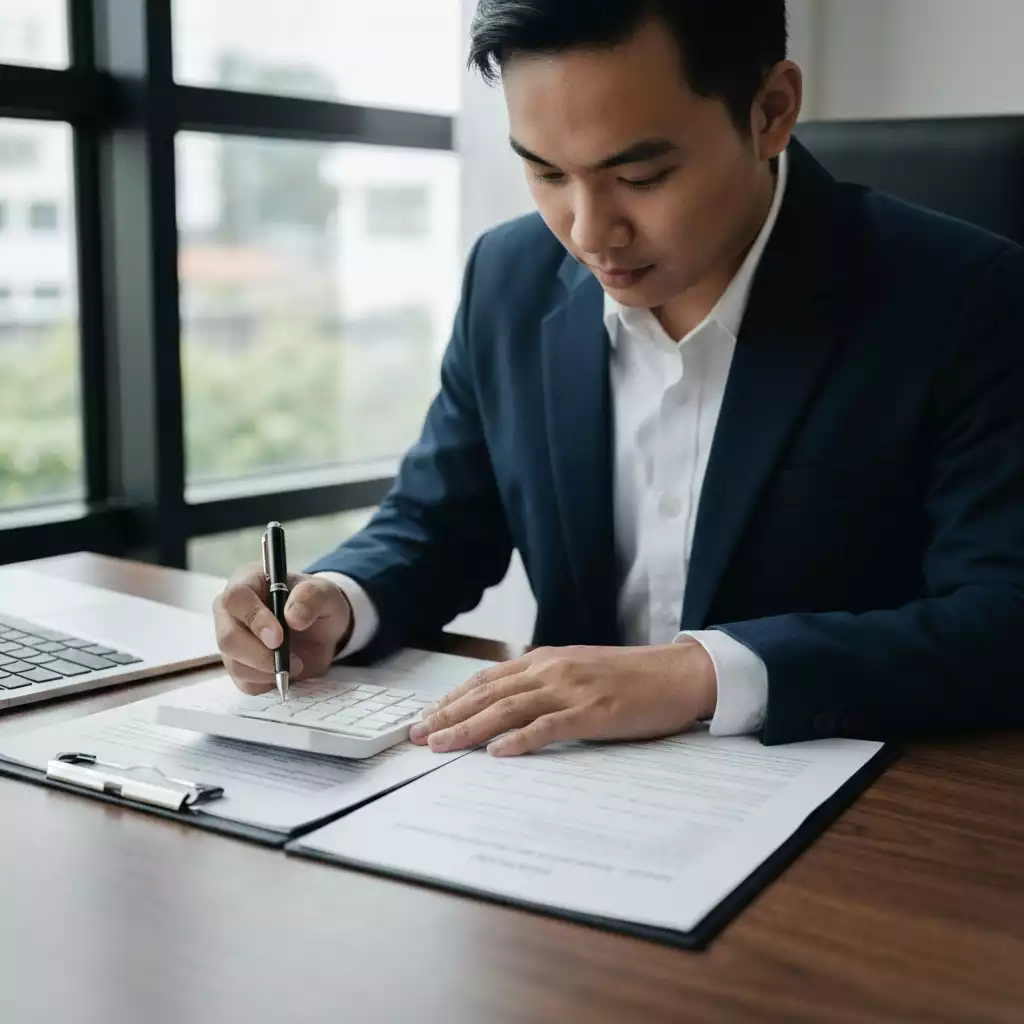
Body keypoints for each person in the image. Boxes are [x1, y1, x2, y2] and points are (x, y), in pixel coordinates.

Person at [213, 0, 1024, 757]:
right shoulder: (509, 275)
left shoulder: (966, 299)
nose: (590, 233)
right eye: (547, 174)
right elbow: (437, 519)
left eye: (641, 177)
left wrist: (695, 675)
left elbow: (1002, 618)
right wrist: (336, 601)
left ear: (771, 110)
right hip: (560, 792)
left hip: (851, 808)